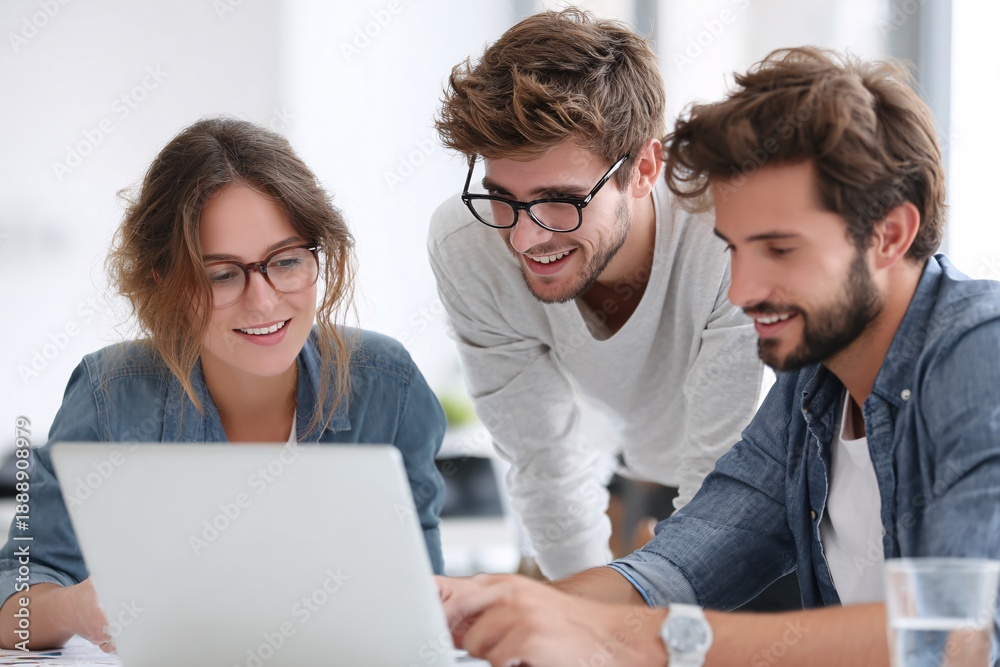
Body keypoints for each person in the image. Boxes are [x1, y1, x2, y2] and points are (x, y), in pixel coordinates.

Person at [436, 46, 1000, 666]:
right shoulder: (813, 389)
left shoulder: (980, 349)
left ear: (890, 234)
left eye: (780, 250)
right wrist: (490, 609)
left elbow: (952, 637)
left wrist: (638, 642)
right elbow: (676, 567)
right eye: (734, 250)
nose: (741, 292)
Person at [0, 117, 447, 651]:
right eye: (220, 274)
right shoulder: (111, 394)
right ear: (165, 282)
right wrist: (74, 607)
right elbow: (13, 610)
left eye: (285, 261)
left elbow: (420, 602)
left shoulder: (385, 384)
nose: (262, 301)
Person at [428, 8, 763, 581]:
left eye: (562, 198)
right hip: (626, 470)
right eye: (503, 196)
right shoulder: (470, 244)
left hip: (770, 484)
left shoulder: (728, 228)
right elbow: (544, 461)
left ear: (644, 169)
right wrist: (581, 627)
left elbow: (718, 477)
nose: (526, 237)